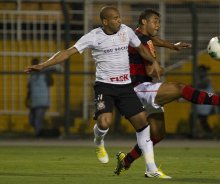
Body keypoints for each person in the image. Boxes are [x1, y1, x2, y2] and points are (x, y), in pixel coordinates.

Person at [25, 6, 170, 179]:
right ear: (105, 21)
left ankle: (151, 168)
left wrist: (153, 61)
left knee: (142, 124)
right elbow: (67, 52)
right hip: (105, 86)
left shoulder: (126, 31)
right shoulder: (93, 37)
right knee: (104, 123)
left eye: (119, 17)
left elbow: (141, 49)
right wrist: (43, 65)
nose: (119, 20)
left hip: (125, 86)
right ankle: (99, 141)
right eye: (115, 18)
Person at [114, 9, 220, 177]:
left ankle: (126, 160)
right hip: (136, 89)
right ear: (144, 21)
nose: (158, 25)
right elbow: (153, 71)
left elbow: (153, 40)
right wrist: (159, 67)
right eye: (155, 21)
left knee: (158, 134)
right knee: (180, 88)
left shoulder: (138, 36)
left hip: (141, 88)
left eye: (159, 21)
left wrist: (172, 46)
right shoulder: (140, 42)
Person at [25, 58, 54, 137]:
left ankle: (38, 135)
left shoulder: (45, 73)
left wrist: (47, 72)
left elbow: (51, 82)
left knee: (38, 119)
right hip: (34, 100)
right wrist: (27, 99)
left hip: (43, 100)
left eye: (35, 64)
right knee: (31, 120)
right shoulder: (31, 76)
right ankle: (40, 132)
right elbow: (29, 88)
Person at [195, 65, 213, 135]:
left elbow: (200, 86)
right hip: (200, 104)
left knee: (203, 120)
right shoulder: (199, 79)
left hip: (205, 105)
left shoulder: (207, 79)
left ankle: (210, 133)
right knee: (196, 119)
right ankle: (207, 133)